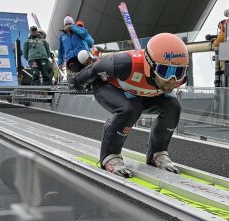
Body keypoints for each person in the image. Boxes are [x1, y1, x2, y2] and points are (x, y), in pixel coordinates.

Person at [68, 33, 189, 178]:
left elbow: (172, 81)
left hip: (141, 94)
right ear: (149, 64)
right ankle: (109, 156)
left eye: (179, 72)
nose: (172, 80)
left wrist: (169, 75)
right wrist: (76, 82)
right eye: (166, 71)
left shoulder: (178, 79)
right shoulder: (125, 64)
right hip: (111, 88)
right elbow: (94, 69)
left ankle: (157, 154)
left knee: (173, 106)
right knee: (130, 108)